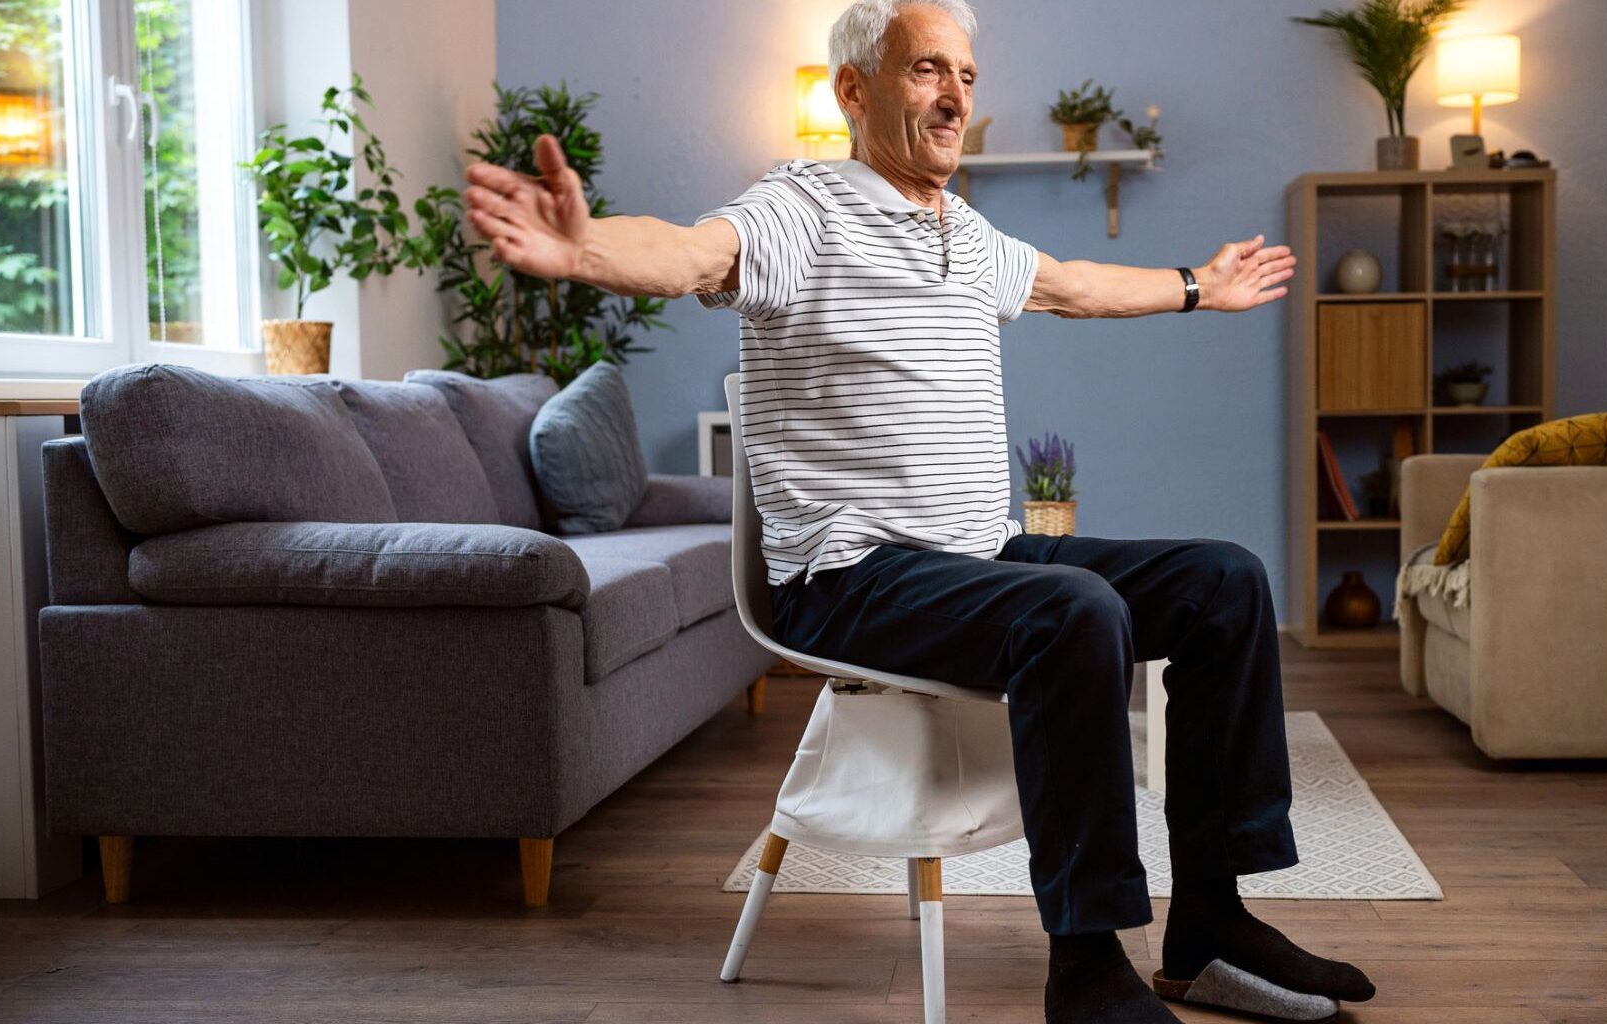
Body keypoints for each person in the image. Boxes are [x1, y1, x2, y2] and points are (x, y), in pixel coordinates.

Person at [464, 2, 1375, 1020]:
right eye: (927, 70)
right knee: (1076, 610)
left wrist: (1197, 286)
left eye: (969, 77)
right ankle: (1084, 966)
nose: (955, 97)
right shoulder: (799, 207)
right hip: (849, 574)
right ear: (853, 90)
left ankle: (1210, 917)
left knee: (1226, 582)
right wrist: (587, 252)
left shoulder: (963, 229)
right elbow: (690, 254)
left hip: (975, 555)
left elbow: (1073, 285)